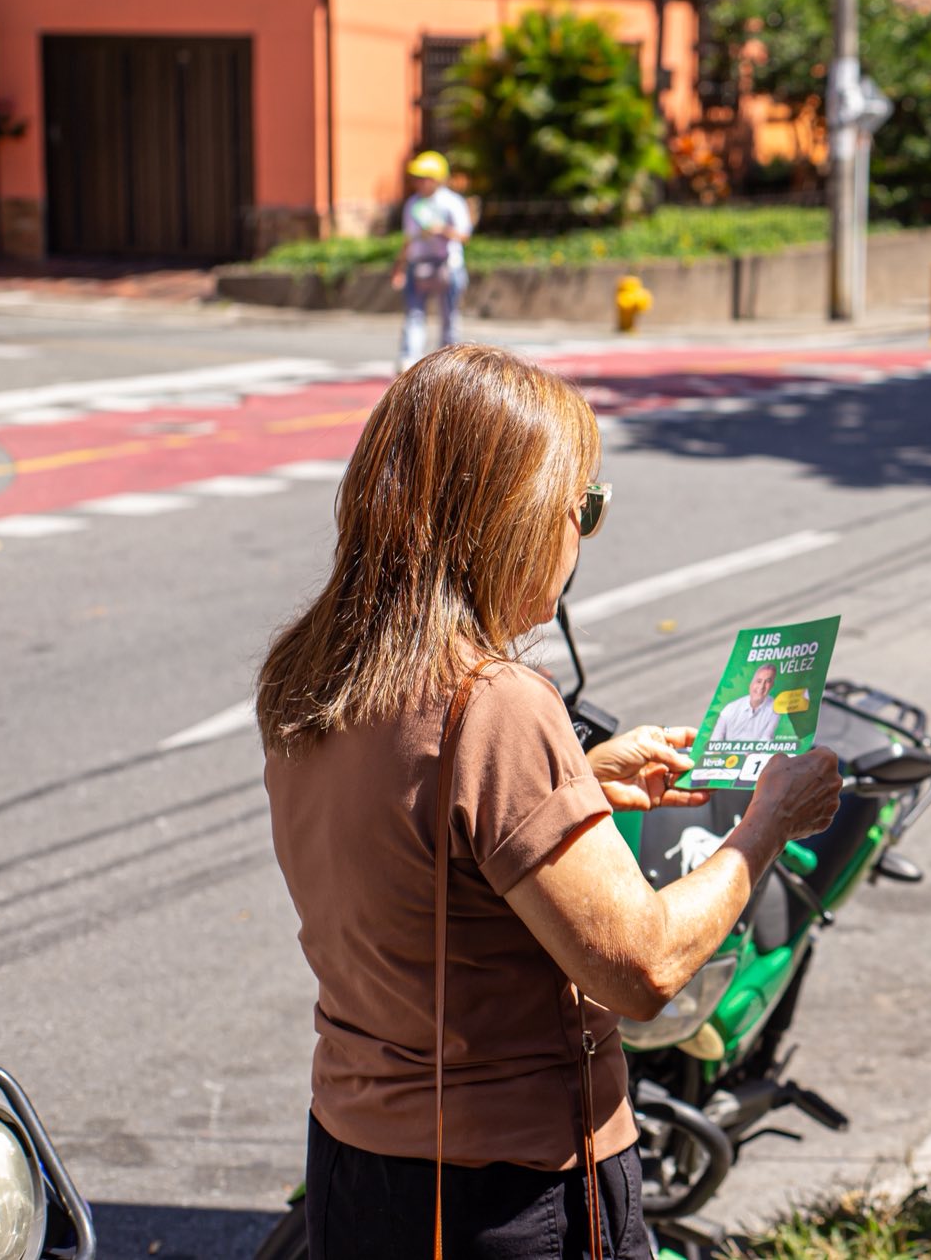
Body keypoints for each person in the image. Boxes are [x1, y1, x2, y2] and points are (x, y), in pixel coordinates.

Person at [259, 343, 842, 1259]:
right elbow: (642, 969)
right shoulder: (495, 703)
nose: (584, 537)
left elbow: (414, 842)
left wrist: (578, 779)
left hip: (356, 1161)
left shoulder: (312, 670)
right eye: (584, 508)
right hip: (505, 1190)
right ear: (514, 517)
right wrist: (768, 823)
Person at [391, 150, 473, 371]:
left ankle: (449, 363)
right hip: (418, 265)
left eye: (424, 177)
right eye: (417, 177)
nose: (418, 182)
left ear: (437, 179)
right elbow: (408, 239)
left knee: (449, 317)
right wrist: (399, 267)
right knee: (414, 315)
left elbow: (464, 235)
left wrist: (442, 230)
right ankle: (409, 360)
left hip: (448, 265)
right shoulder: (412, 204)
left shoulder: (452, 202)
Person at [711, 663, 782, 744]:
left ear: (772, 685)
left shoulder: (774, 709)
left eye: (768, 681)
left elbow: (766, 739)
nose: (762, 686)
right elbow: (714, 741)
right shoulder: (730, 709)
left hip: (756, 752)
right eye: (759, 681)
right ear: (751, 684)